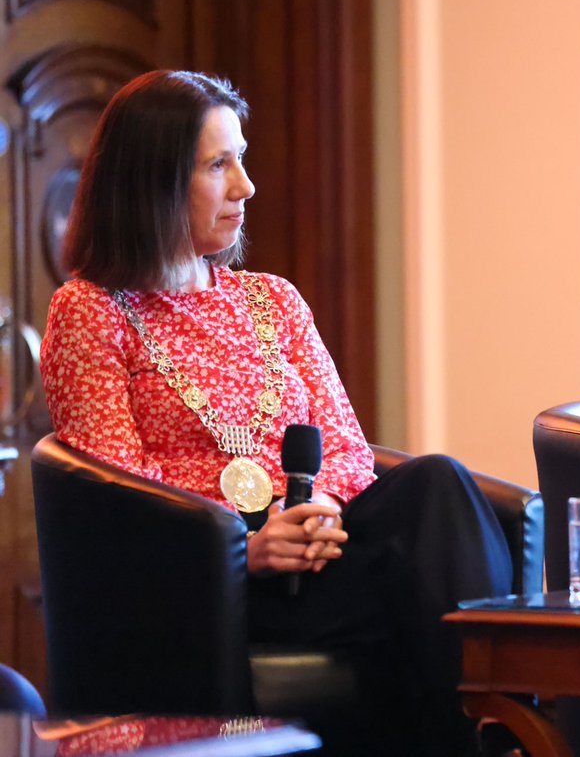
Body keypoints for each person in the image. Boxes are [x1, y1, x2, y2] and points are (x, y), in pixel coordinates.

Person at [39, 69, 511, 757]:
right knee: (421, 602)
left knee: (436, 482)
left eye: (243, 158)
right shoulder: (92, 311)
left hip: (315, 551)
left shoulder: (272, 300)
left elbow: (347, 446)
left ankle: (498, 726)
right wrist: (245, 545)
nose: (245, 186)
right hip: (209, 585)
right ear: (154, 179)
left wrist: (316, 504)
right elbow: (120, 500)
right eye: (217, 164)